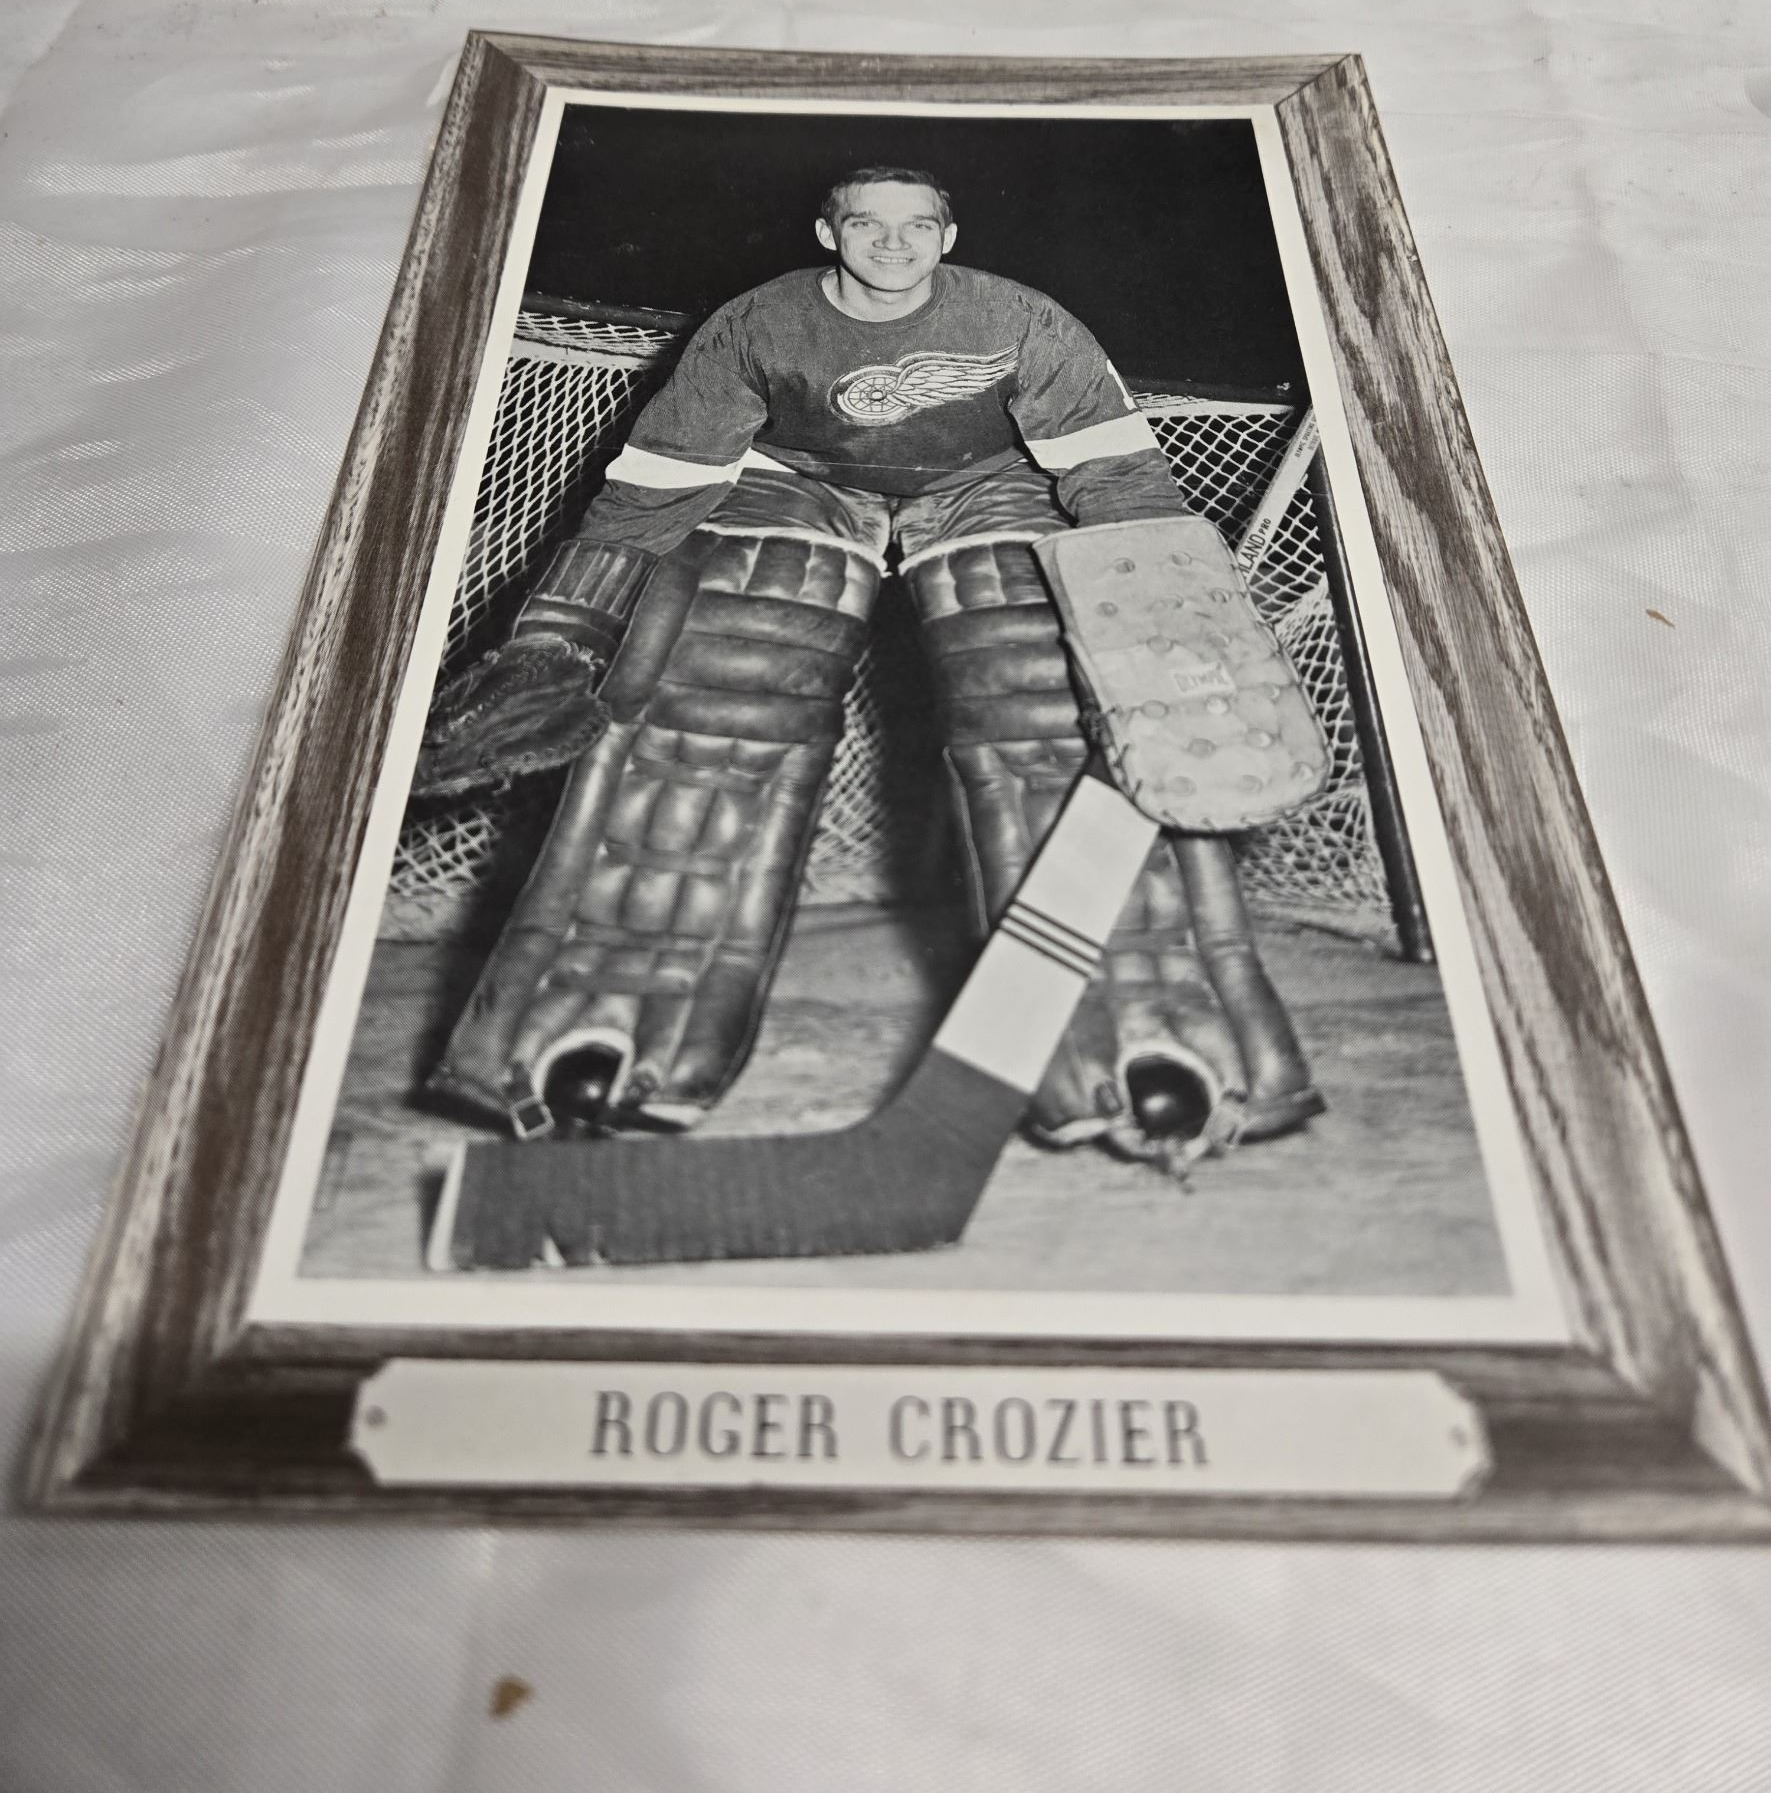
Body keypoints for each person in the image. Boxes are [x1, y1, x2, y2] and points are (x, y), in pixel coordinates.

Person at [420, 166, 1323, 1174]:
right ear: (828, 233)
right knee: (718, 696)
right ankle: (599, 1024)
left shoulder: (1020, 319)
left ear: (946, 237)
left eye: (915, 226)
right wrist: (557, 633)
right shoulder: (756, 325)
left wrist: (1165, 619)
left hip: (992, 483)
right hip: (795, 480)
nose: (892, 244)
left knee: (1046, 703)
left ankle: (1146, 1036)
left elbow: (1114, 475)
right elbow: (655, 491)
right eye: (867, 225)